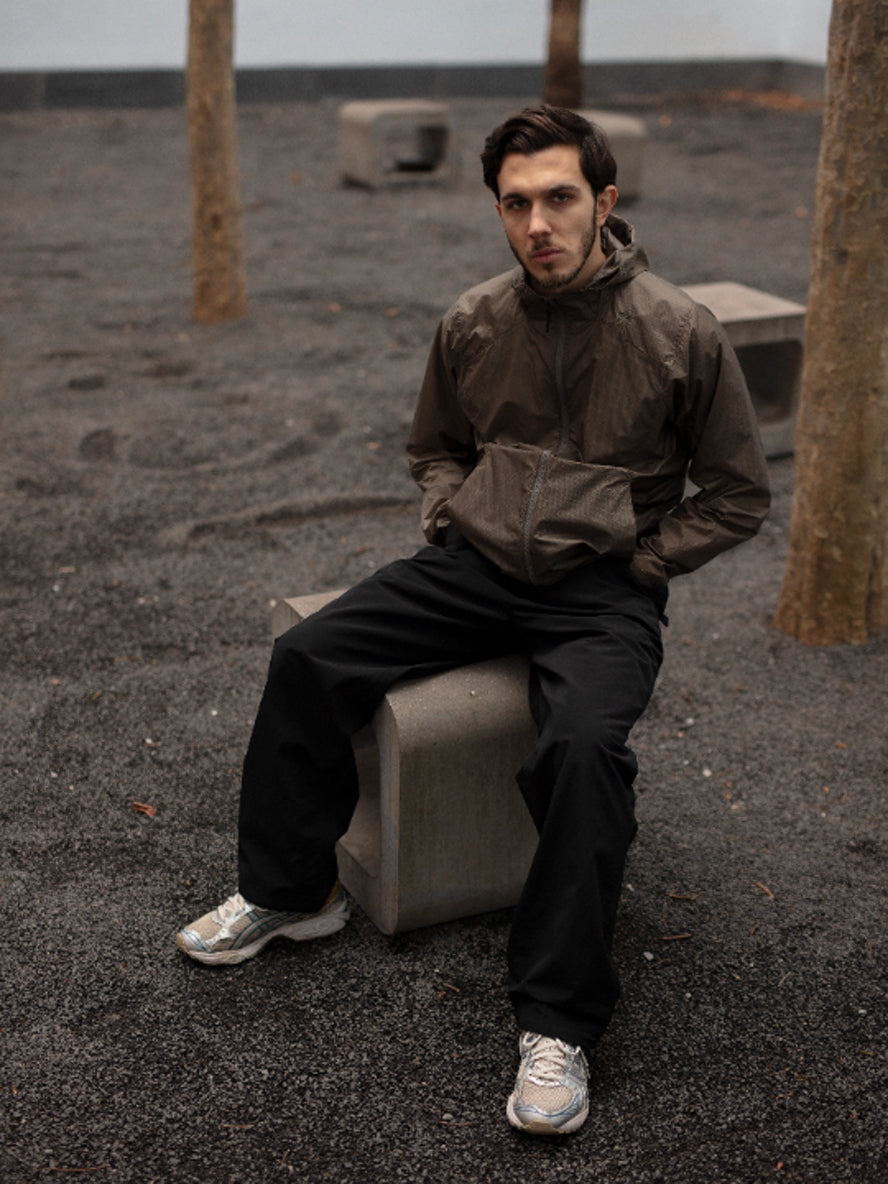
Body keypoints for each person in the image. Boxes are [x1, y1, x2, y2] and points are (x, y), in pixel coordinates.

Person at [176, 106, 770, 1135]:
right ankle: (295, 892)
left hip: (601, 592)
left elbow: (737, 493)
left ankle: (558, 1021)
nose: (538, 223)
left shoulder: (680, 331)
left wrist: (641, 559)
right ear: (498, 209)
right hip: (475, 568)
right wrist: (452, 512)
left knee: (582, 750)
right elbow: (435, 447)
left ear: (604, 201)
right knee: (309, 655)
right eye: (516, 203)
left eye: (560, 198)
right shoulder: (475, 320)